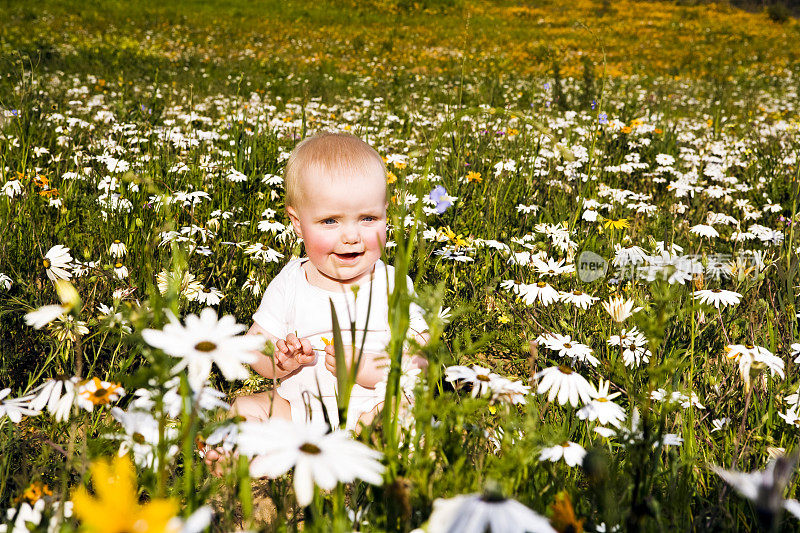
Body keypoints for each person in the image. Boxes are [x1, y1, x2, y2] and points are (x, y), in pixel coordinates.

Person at [216, 131, 428, 443]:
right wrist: (279, 360)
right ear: (297, 222)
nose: (351, 236)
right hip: (299, 411)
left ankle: (379, 441)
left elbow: (421, 359)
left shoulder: (392, 285)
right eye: (330, 221)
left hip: (372, 405)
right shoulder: (290, 281)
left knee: (403, 409)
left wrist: (366, 367)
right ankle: (235, 458)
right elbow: (255, 348)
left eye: (368, 219)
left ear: (386, 213)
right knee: (248, 406)